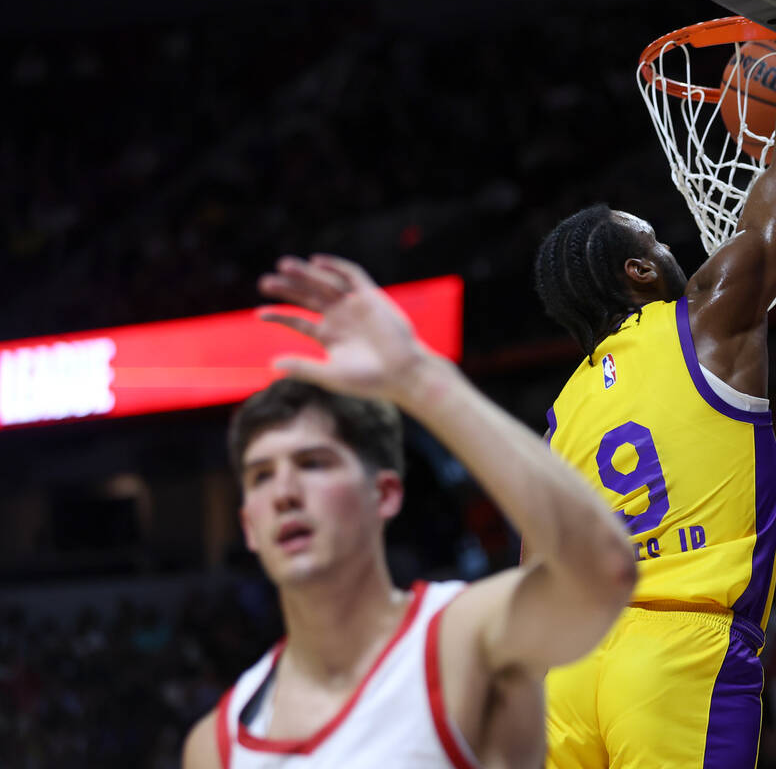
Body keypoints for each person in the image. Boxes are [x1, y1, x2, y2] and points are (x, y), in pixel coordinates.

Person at [182, 254, 636, 768]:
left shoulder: (461, 639)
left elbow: (604, 567)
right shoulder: (214, 744)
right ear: (248, 526)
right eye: (262, 475)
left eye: (313, 464)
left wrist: (417, 378)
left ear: (386, 494)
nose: (284, 491)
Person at [533, 43, 776, 767]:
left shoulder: (559, 414)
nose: (673, 248)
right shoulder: (705, 319)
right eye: (655, 240)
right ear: (637, 271)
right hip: (674, 655)